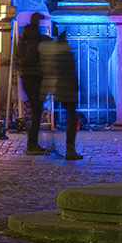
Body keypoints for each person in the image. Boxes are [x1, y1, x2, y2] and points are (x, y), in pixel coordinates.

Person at [43, 30, 83, 161]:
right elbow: (70, 74)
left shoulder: (55, 56)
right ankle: (70, 149)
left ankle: (69, 149)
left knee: (70, 117)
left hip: (60, 89)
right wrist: (75, 88)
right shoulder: (66, 55)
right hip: (67, 89)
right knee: (72, 118)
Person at [18, 13, 48, 155]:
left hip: (26, 77)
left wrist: (23, 71)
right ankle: (32, 144)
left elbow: (17, 60)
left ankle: (32, 143)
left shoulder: (23, 40)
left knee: (35, 110)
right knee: (37, 111)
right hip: (36, 78)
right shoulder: (38, 40)